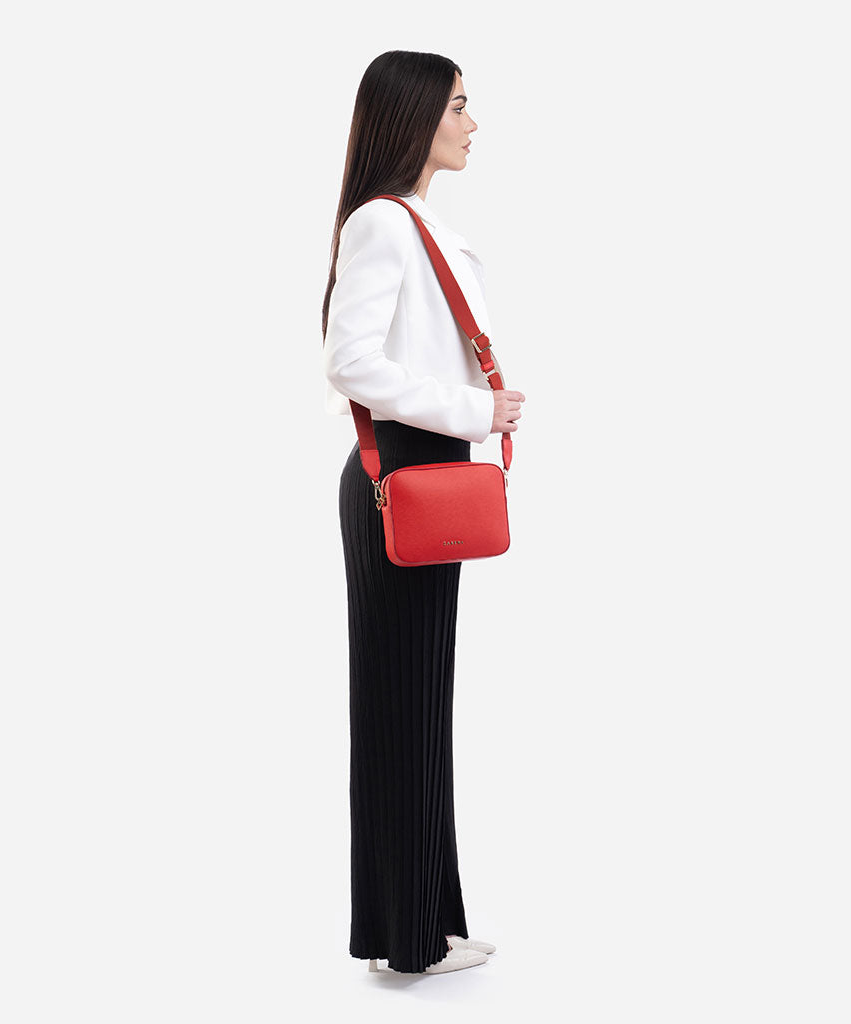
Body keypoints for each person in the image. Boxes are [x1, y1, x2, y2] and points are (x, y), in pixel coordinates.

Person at [320, 50, 525, 975]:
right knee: (401, 704)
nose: (472, 124)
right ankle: (406, 938)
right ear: (414, 118)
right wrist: (476, 410)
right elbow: (350, 361)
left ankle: (422, 923)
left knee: (417, 703)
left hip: (428, 477)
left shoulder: (414, 223)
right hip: (401, 476)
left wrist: (472, 412)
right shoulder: (385, 222)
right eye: (458, 107)